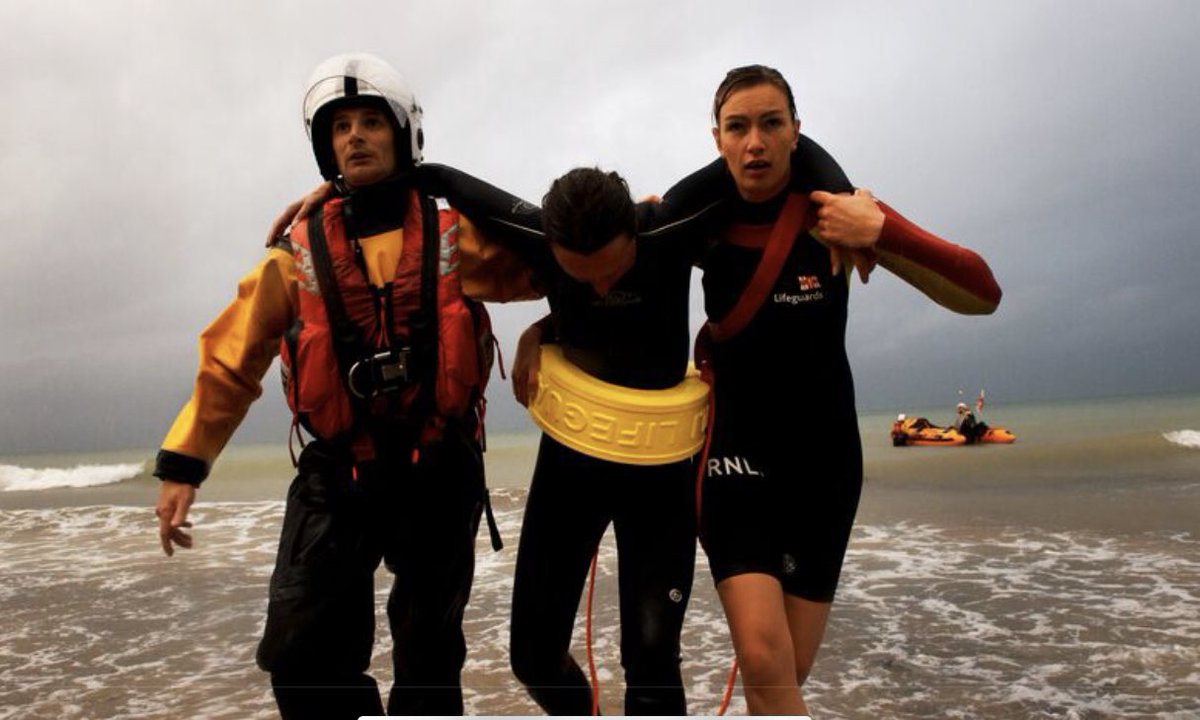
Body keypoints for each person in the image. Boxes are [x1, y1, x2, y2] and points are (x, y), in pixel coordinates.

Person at [153, 53, 536, 719]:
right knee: (301, 657)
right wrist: (185, 465)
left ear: (402, 135)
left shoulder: (455, 238)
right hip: (339, 475)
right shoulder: (293, 256)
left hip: (437, 468)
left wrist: (547, 330)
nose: (355, 136)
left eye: (370, 122)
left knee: (428, 659)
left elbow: (560, 262)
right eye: (340, 128)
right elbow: (230, 361)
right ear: (324, 148)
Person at [692, 64, 1002, 715]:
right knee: (766, 658)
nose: (755, 143)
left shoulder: (841, 213)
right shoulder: (702, 221)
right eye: (738, 127)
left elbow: (982, 294)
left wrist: (881, 233)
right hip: (734, 454)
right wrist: (541, 331)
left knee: (785, 675)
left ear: (797, 132)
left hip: (824, 463)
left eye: (771, 124)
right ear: (716, 139)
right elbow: (600, 277)